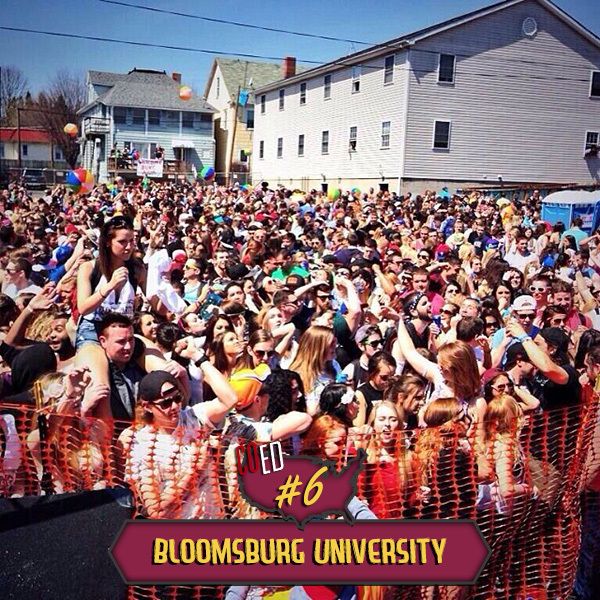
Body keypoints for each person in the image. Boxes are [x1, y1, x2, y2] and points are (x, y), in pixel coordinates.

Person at [119, 369, 236, 519]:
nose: (174, 406)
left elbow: (230, 399)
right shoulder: (141, 446)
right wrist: (194, 472)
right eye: (166, 403)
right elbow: (156, 512)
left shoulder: (193, 417)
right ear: (147, 407)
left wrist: (199, 358)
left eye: (177, 398)